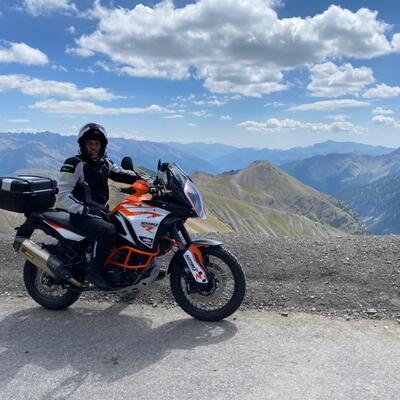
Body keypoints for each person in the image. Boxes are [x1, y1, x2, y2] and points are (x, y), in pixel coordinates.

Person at [57, 123, 147, 290]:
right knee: (108, 231)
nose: (93, 147)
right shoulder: (74, 164)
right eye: (90, 143)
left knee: (126, 227)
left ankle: (129, 270)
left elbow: (122, 174)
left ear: (102, 146)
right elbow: (62, 193)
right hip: (81, 215)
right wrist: (83, 209)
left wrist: (146, 179)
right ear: (83, 145)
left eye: (97, 144)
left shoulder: (104, 162)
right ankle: (94, 273)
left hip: (99, 212)